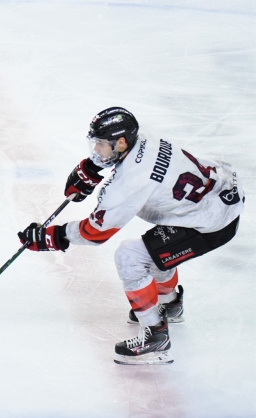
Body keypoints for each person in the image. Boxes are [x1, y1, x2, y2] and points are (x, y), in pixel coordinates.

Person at [17, 107, 243, 365]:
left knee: (130, 257)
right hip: (220, 192)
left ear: (121, 142)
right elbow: (125, 160)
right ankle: (169, 304)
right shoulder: (141, 134)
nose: (97, 149)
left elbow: (96, 232)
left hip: (211, 223)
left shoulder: (130, 182)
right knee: (155, 249)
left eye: (101, 144)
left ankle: (155, 337)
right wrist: (91, 168)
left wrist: (53, 236)